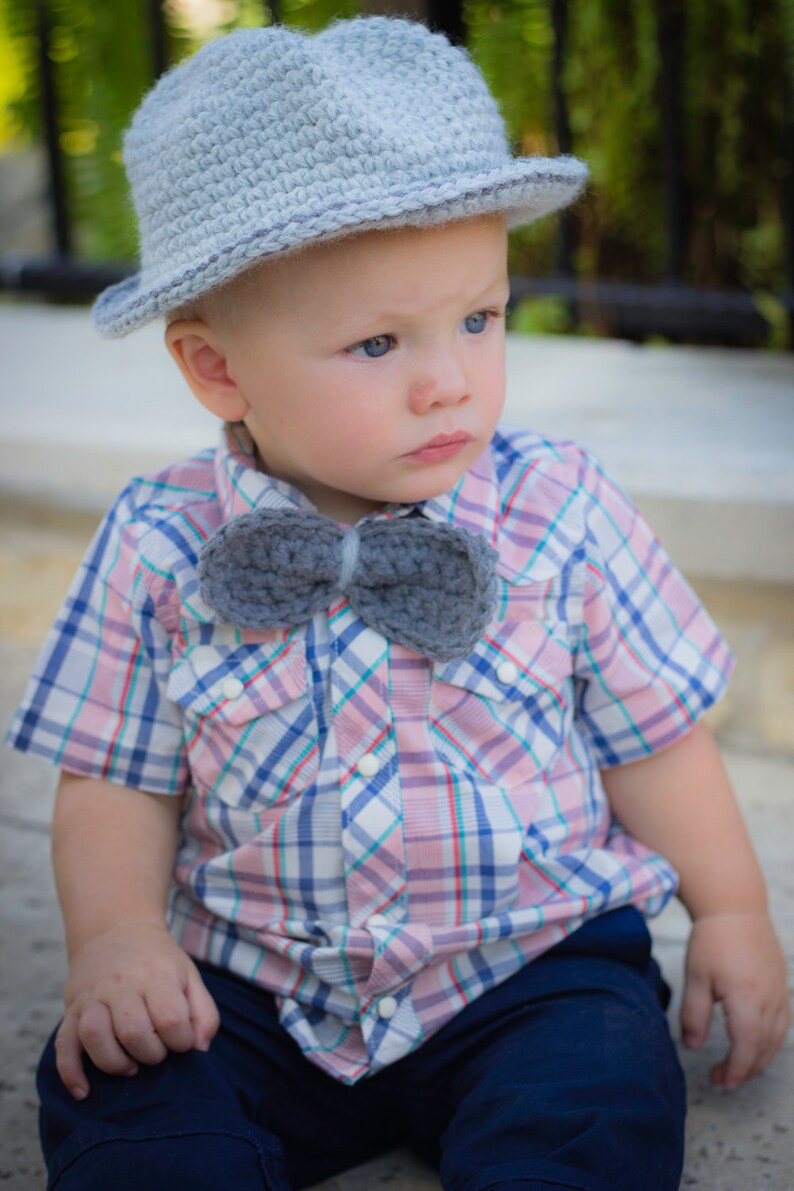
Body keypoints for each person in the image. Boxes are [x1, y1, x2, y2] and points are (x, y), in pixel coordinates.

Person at [7, 16, 789, 1191]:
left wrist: (728, 906)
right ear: (217, 368)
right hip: (251, 980)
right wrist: (117, 939)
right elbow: (113, 773)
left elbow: (653, 740)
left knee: (596, 1100)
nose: (450, 381)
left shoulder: (557, 507)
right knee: (123, 1087)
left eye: (479, 318)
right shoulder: (160, 542)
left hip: (527, 968)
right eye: (377, 343)